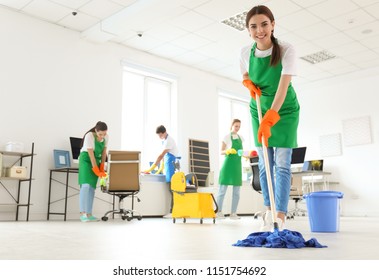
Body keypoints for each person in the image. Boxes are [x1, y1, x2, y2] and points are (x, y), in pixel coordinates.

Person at [240, 5, 300, 230]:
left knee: (282, 164)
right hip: (259, 109)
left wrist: (271, 118)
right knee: (265, 164)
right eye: (253, 26)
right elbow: (246, 74)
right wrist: (247, 82)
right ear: (248, 30)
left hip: (284, 111)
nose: (259, 30)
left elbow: (283, 88)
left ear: (273, 25)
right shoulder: (245, 52)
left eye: (264, 24)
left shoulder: (286, 49)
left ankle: (281, 214)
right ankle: (269, 209)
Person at [143, 125, 179, 217]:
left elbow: (161, 156)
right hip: (168, 165)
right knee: (171, 190)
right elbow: (163, 159)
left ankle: (173, 212)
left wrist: (150, 169)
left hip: (171, 165)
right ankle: (172, 211)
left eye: (160, 135)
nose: (159, 137)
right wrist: (158, 170)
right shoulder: (165, 140)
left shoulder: (169, 141)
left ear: (164, 133)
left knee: (173, 190)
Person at [78, 121, 108, 222]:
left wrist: (102, 168)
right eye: (100, 134)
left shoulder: (106, 137)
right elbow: (90, 154)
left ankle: (89, 214)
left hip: (97, 160)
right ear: (96, 131)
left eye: (104, 134)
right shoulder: (89, 136)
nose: (102, 136)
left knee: (91, 188)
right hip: (86, 160)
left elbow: (104, 153)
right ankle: (82, 214)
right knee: (85, 185)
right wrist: (96, 170)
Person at [217, 119, 244, 220]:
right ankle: (218, 211)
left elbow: (241, 151)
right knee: (222, 190)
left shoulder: (241, 138)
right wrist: (228, 151)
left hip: (237, 166)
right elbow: (221, 151)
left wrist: (245, 155)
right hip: (228, 165)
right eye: (236, 126)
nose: (237, 128)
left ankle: (233, 213)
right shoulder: (226, 137)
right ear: (232, 125)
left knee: (236, 192)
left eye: (239, 126)